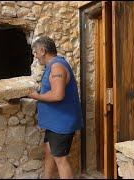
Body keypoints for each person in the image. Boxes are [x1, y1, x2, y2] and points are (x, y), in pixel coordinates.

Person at [28, 36, 83, 179]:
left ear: (43, 50)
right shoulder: (52, 66)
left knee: (61, 159)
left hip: (62, 123)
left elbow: (58, 95)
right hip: (55, 124)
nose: (35, 56)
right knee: (49, 151)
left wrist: (35, 96)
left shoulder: (57, 67)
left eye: (36, 52)